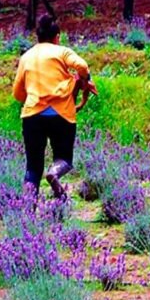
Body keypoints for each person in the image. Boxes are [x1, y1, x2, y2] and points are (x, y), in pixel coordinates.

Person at [12, 15, 97, 200]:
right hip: (61, 114)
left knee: (33, 168)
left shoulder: (26, 57)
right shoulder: (62, 52)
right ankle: (55, 173)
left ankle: (28, 211)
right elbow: (82, 65)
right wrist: (84, 79)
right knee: (64, 158)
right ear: (57, 36)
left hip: (32, 115)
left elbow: (18, 94)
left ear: (38, 36)